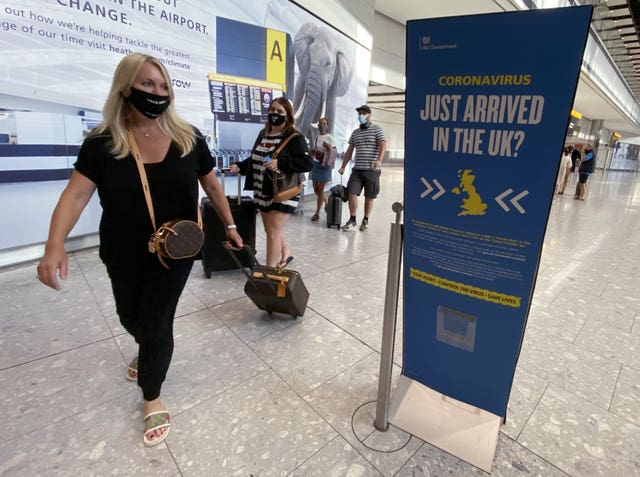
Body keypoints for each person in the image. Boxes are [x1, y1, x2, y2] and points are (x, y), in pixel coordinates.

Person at [36, 53, 243, 447]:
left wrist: (230, 226)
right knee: (131, 317)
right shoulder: (102, 144)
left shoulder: (189, 138)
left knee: (157, 321)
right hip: (122, 249)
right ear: (125, 88)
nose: (157, 93)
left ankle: (152, 394)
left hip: (177, 251)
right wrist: (54, 246)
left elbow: (213, 186)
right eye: (148, 84)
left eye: (164, 86)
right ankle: (144, 344)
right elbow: (76, 194)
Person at [230, 97, 312, 267]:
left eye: (280, 111)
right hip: (263, 189)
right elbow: (256, 158)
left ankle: (269, 273)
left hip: (283, 191)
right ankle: (286, 251)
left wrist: (281, 163)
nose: (275, 114)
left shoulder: (294, 137)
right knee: (271, 229)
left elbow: (307, 163)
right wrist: (240, 166)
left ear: (287, 116)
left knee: (273, 233)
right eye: (272, 110)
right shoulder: (264, 134)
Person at [338, 104, 387, 231]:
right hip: (357, 170)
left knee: (369, 197)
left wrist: (379, 161)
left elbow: (383, 145)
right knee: (351, 193)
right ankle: (352, 219)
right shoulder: (355, 133)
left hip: (372, 170)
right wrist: (343, 166)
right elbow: (349, 151)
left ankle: (365, 220)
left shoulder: (377, 129)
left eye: (363, 113)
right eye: (359, 113)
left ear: (369, 114)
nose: (361, 116)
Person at [308, 117, 337, 221]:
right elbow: (316, 148)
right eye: (320, 123)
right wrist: (313, 151)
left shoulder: (329, 137)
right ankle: (327, 203)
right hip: (316, 164)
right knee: (316, 189)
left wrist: (328, 147)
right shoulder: (317, 137)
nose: (322, 125)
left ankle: (317, 213)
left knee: (320, 190)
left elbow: (334, 151)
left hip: (325, 166)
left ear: (327, 126)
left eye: (324, 123)